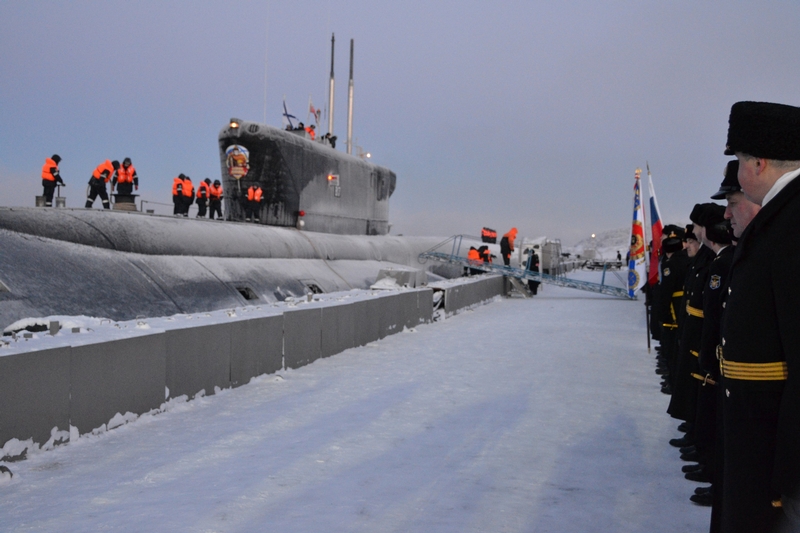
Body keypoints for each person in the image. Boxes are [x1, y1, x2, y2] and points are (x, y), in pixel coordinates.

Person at [718, 101, 800, 532]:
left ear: (760, 162)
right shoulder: (781, 217)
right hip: (762, 434)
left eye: (738, 160)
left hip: (776, 449)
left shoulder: (791, 222)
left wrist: (786, 469)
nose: (736, 170)